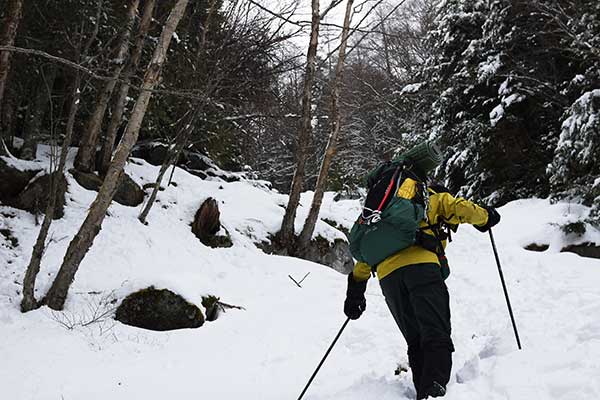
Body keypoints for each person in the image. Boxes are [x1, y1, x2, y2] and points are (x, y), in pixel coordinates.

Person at [343, 181, 501, 400]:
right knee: (435, 332)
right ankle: (434, 392)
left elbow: (366, 256)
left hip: (389, 280)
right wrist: (486, 217)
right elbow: (460, 208)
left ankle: (423, 393)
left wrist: (355, 292)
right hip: (422, 270)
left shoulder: (383, 215)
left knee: (415, 340)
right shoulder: (431, 198)